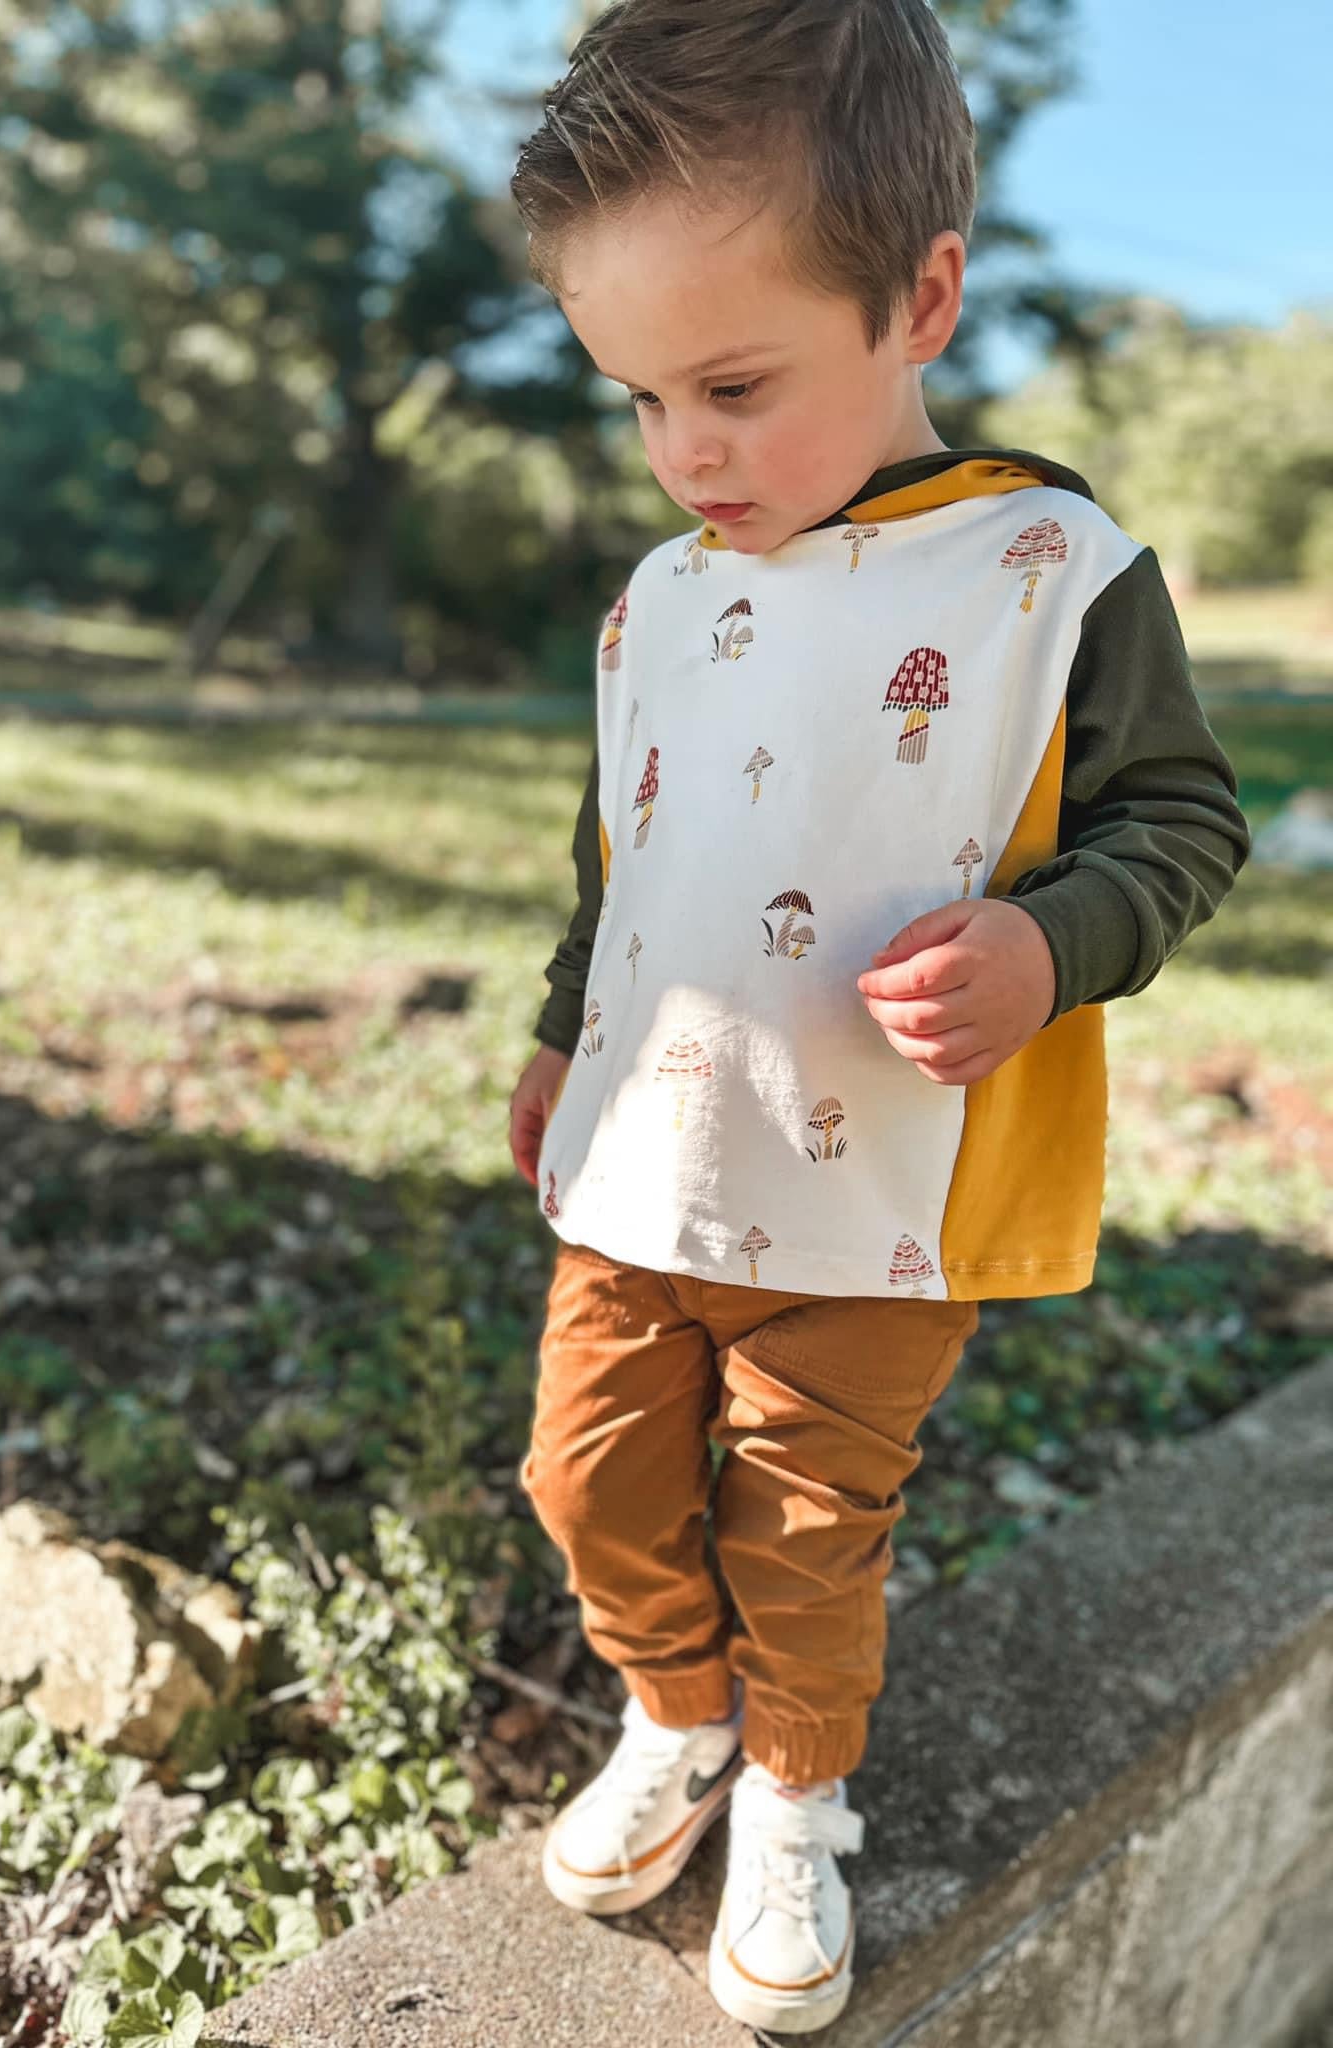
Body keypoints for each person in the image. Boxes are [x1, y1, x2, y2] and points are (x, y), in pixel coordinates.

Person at [505, 0, 1251, 2031]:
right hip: (632, 1170)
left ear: (918, 296)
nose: (683, 453)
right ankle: (671, 1714)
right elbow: (624, 857)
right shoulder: (655, 601)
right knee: (586, 1480)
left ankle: (790, 1798)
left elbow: (1179, 818)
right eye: (638, 398)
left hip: (871, 1200)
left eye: (732, 383)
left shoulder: (1045, 570)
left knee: (806, 1533)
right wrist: (564, 1027)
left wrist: (1047, 942)